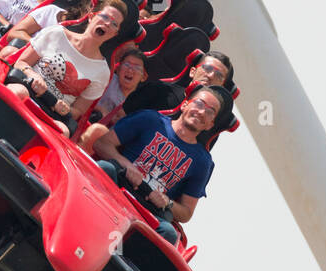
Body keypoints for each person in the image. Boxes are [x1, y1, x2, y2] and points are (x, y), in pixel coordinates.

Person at [91, 86, 229, 244]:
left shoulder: (203, 162)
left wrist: (167, 202)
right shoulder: (150, 119)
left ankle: (121, 263)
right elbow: (102, 144)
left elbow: (186, 212)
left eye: (210, 111)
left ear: (210, 125)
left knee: (168, 233)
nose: (202, 112)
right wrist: (127, 166)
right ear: (185, 104)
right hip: (118, 184)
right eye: (199, 103)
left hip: (148, 208)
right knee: (105, 167)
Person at [6, 0, 130, 132]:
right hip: (28, 88)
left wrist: (65, 108)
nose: (107, 23)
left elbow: (78, 110)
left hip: (52, 112)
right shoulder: (57, 34)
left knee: (62, 131)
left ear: (114, 34)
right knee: (17, 92)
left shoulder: (102, 72)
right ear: (91, 17)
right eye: (105, 17)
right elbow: (21, 63)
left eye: (114, 24)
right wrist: (33, 75)